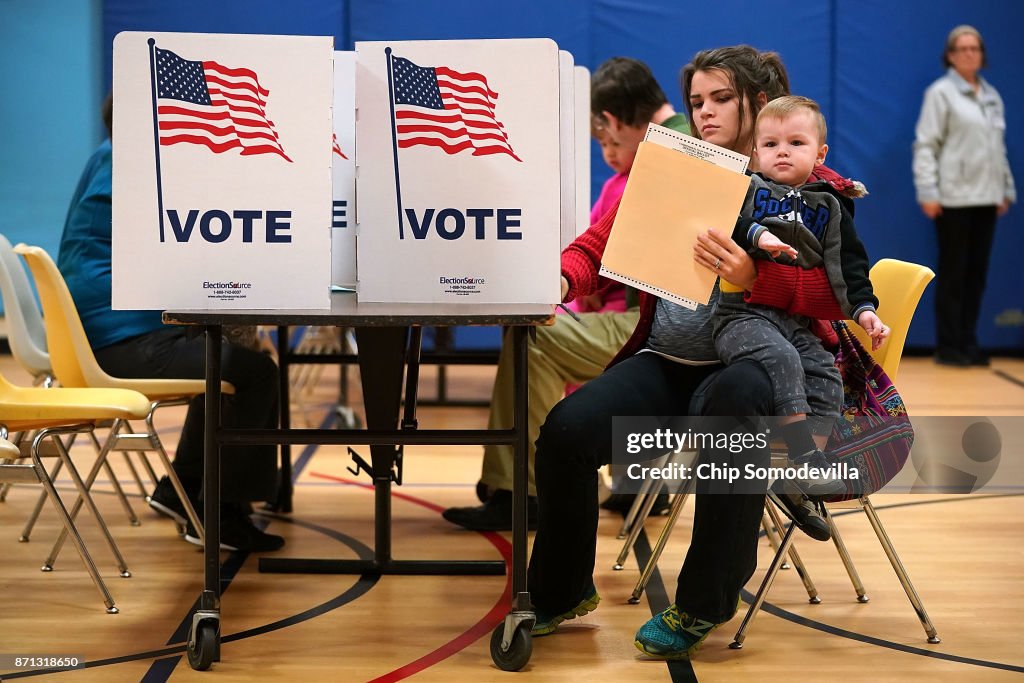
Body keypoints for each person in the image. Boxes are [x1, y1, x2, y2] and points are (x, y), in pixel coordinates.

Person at [524, 45, 859, 660]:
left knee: (735, 410)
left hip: (752, 367)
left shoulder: (807, 181)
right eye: (697, 101)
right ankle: (560, 591)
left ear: (759, 104)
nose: (704, 113)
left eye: (721, 100)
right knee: (567, 430)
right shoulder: (675, 163)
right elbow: (601, 242)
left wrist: (755, 279)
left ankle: (703, 602)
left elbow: (838, 293)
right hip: (667, 360)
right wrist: (564, 279)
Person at [441, 57, 690, 531]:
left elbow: (627, 253)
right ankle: (638, 481)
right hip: (673, 321)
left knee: (532, 337)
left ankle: (521, 491)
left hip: (661, 326)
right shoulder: (680, 142)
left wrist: (577, 281)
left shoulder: (668, 152)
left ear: (611, 120)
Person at [56, 94, 285, 553]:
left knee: (221, 359)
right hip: (119, 340)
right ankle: (221, 512)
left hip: (99, 332)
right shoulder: (134, 171)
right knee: (254, 373)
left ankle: (181, 487)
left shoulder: (110, 156)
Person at [714, 95, 887, 497]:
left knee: (826, 375)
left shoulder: (831, 204)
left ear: (820, 152)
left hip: (796, 324)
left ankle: (803, 468)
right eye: (771, 145)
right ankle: (802, 456)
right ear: (756, 152)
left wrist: (865, 311)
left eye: (796, 143)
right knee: (783, 359)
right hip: (742, 317)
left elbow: (849, 265)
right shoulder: (748, 188)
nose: (783, 152)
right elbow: (726, 222)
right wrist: (760, 235)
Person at [913, 25, 1015, 367]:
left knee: (977, 272)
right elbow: (926, 144)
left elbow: (997, 149)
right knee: (954, 272)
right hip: (954, 198)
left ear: (982, 54)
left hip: (987, 197)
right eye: (962, 48)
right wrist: (928, 191)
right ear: (951, 55)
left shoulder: (991, 95)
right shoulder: (941, 94)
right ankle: (949, 344)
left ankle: (968, 341)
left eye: (975, 48)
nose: (970, 53)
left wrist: (1005, 188)